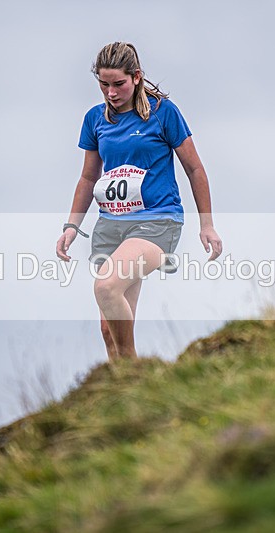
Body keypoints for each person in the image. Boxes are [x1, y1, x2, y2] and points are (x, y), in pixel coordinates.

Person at [56, 42, 222, 361]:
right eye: (104, 84)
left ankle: (134, 370)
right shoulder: (94, 119)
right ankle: (125, 396)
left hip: (157, 222)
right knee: (108, 329)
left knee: (106, 288)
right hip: (110, 227)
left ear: (136, 77)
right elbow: (88, 178)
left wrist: (207, 225)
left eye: (118, 84)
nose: (111, 92)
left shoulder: (164, 113)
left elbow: (194, 168)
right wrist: (71, 227)